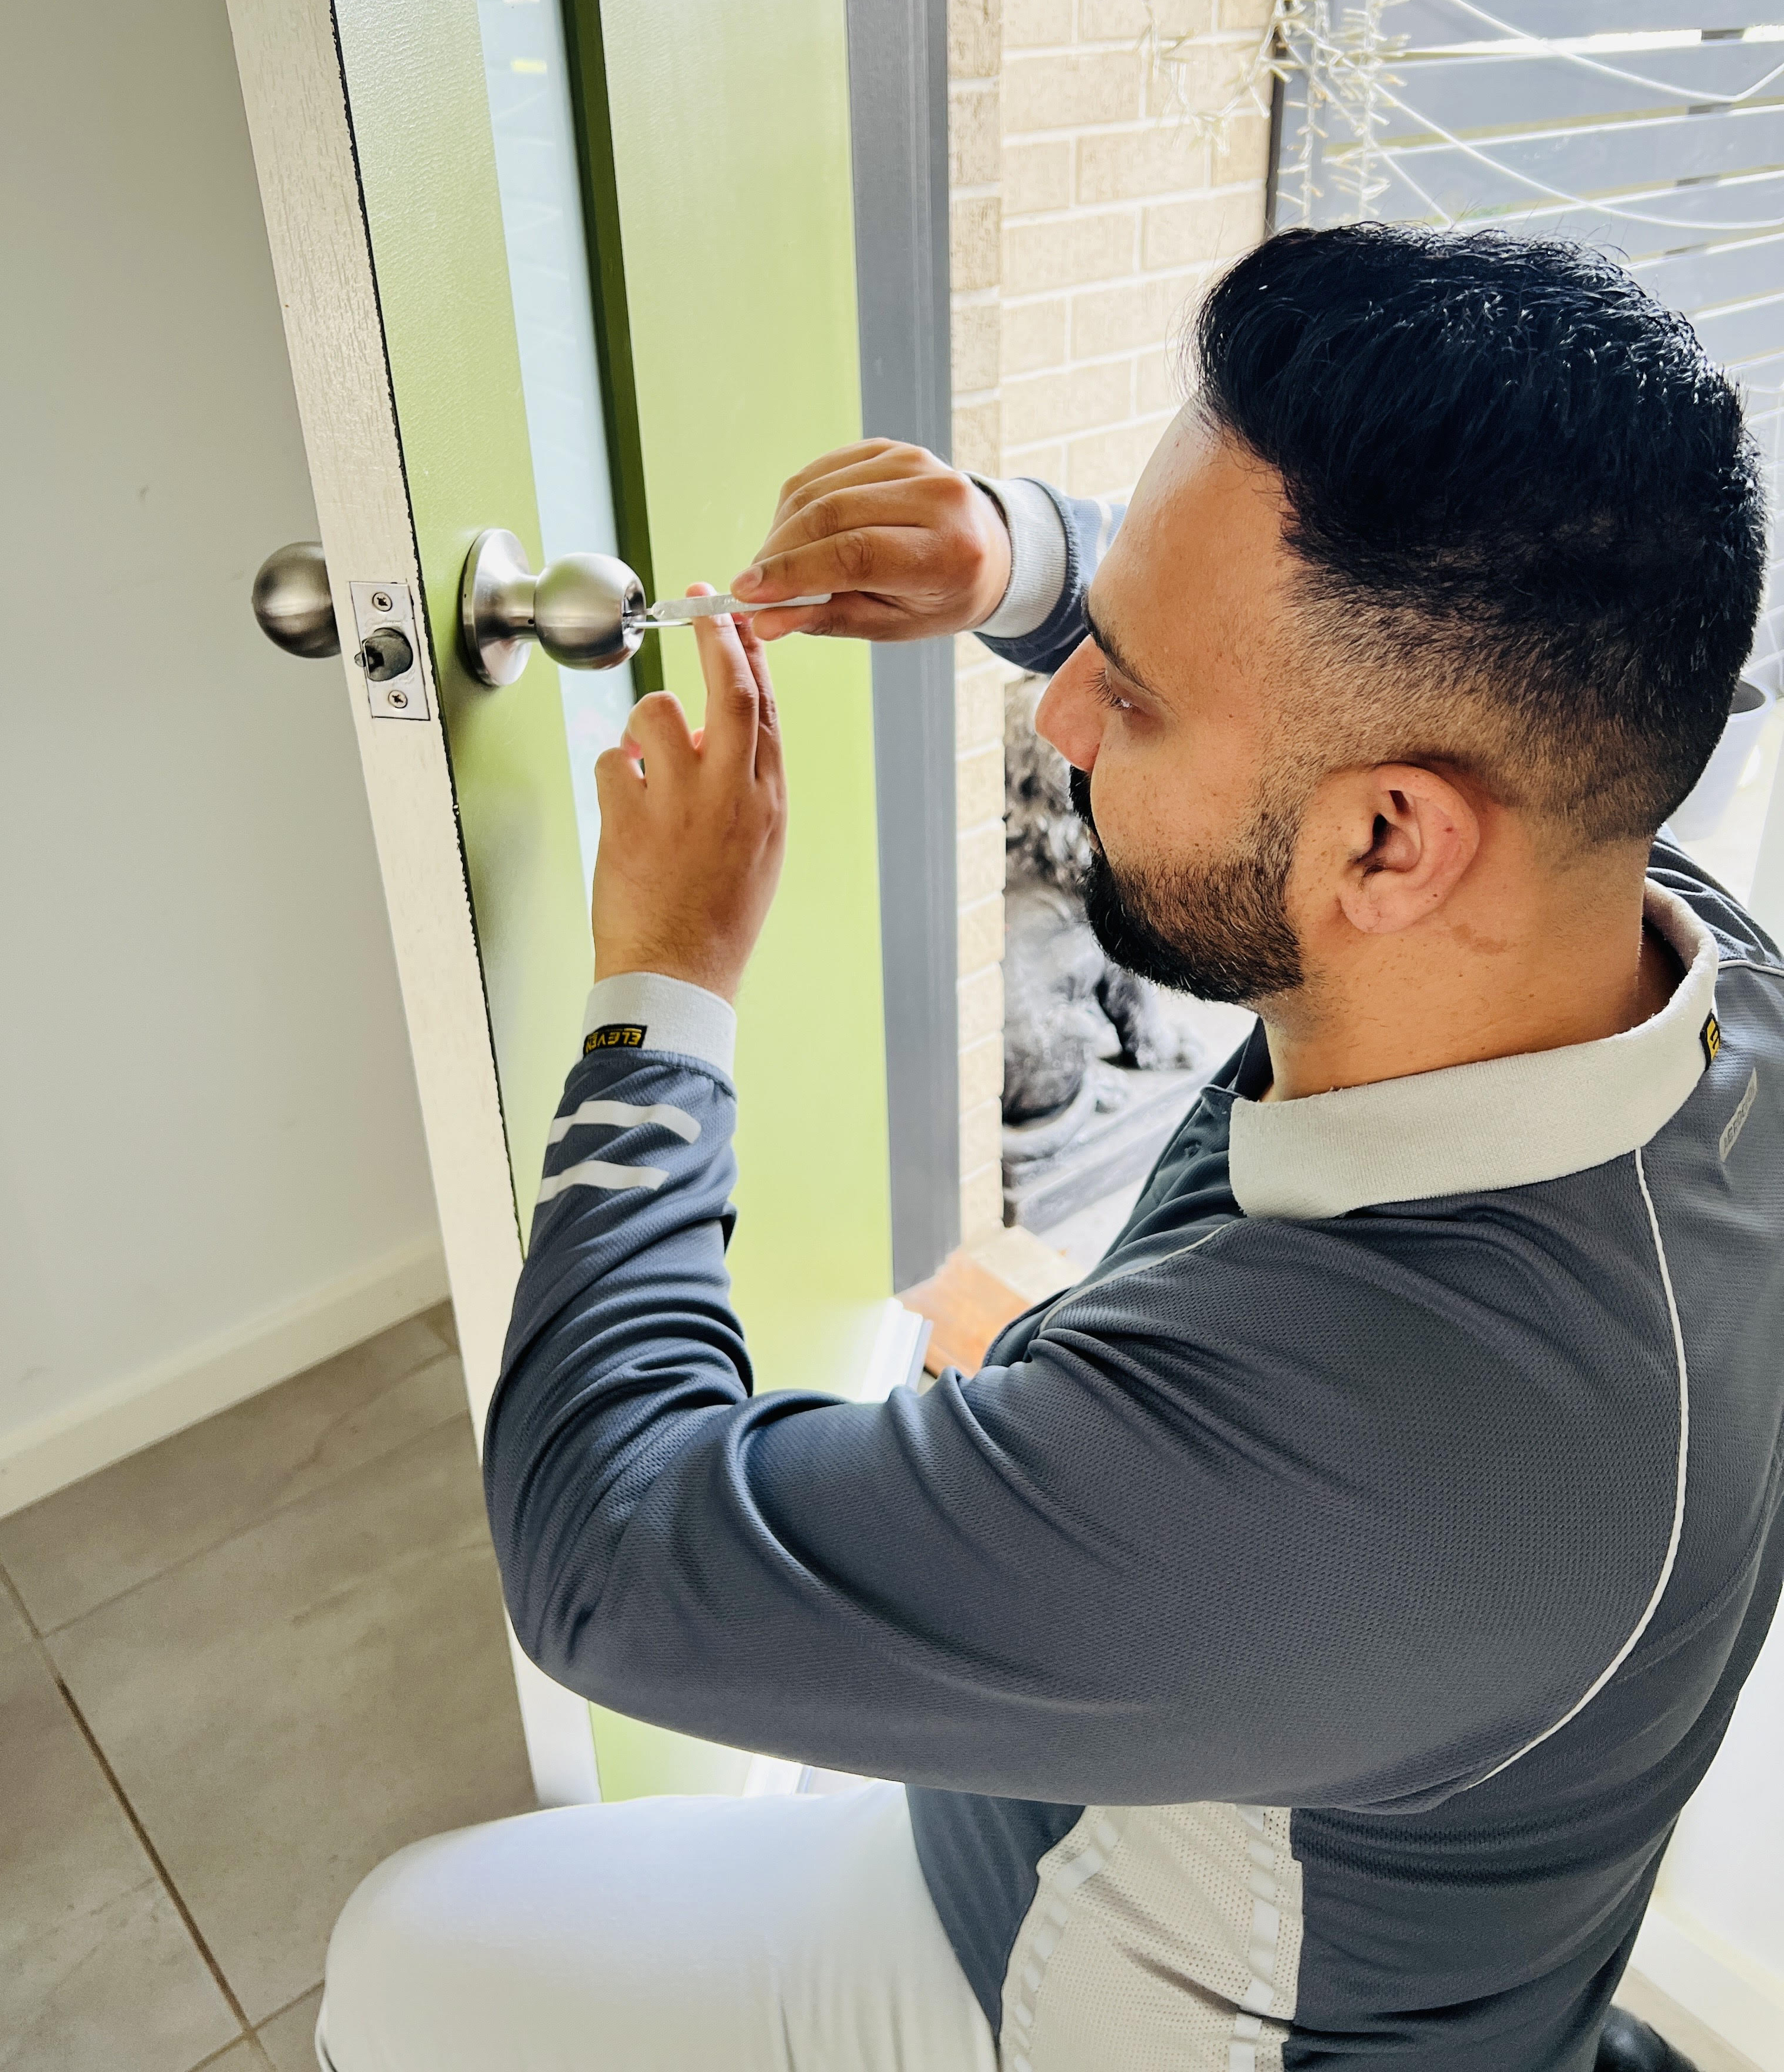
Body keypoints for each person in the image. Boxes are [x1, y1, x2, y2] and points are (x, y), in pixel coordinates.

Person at [316, 226, 1784, 2072]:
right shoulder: (1684, 960)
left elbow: (610, 1560)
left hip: (1078, 1998)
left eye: (1130, 691)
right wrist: (1019, 556)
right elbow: (1357, 681)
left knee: (398, 1960)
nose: (1061, 706)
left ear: (1391, 847)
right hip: (1176, 1808)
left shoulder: (1366, 1459)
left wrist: (662, 990)